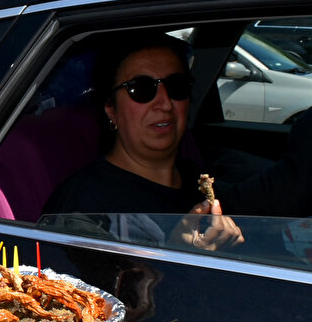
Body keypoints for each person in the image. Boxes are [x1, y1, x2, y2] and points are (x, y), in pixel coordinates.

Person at [42, 32, 243, 251]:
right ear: (111, 108)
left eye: (177, 86)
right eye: (142, 89)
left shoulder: (199, 182)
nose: (165, 104)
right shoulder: (82, 209)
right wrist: (175, 257)